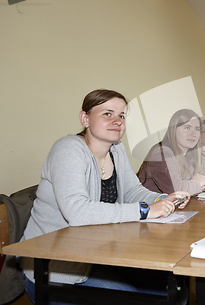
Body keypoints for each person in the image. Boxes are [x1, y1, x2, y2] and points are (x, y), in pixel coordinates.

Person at [20, 89, 191, 303]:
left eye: (122, 116)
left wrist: (162, 200)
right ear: (85, 118)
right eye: (107, 114)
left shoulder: (116, 149)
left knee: (173, 289)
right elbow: (77, 212)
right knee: (156, 298)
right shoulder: (68, 149)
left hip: (98, 253)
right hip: (55, 268)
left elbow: (132, 191)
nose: (117, 121)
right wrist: (145, 211)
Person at [138, 109, 205, 196]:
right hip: (150, 207)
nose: (193, 134)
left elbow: (204, 181)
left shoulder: (189, 155)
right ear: (174, 129)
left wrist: (197, 183)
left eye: (197, 129)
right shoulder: (161, 153)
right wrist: (196, 183)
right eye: (187, 128)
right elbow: (175, 190)